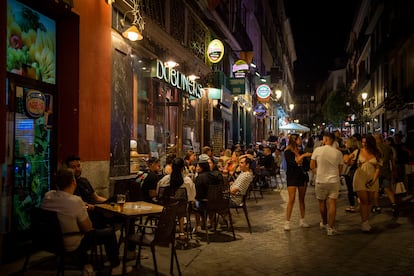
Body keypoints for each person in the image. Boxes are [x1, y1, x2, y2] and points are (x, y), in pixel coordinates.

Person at [41, 168, 132, 275]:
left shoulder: (48, 196)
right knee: (108, 233)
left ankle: (86, 264)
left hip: (47, 240)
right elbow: (87, 228)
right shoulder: (75, 201)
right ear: (73, 182)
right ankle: (116, 266)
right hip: (69, 242)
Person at [310, 132, 344, 235]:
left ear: (325, 139)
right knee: (332, 203)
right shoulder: (338, 153)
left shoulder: (317, 150)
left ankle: (324, 222)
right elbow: (340, 168)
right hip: (334, 180)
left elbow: (312, 166)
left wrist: (318, 173)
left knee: (322, 203)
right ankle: (330, 228)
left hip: (321, 180)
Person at [157, 157, 196, 240]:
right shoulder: (188, 181)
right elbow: (191, 197)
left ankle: (167, 230)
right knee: (181, 207)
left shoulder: (165, 180)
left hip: (166, 208)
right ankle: (182, 232)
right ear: (183, 168)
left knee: (174, 207)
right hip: (182, 209)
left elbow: (158, 192)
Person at [351, 134, 382, 232]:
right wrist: (347, 158)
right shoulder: (358, 151)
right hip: (360, 177)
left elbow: (378, 168)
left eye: (366, 142)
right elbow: (349, 161)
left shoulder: (377, 153)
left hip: (372, 178)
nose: (364, 144)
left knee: (369, 201)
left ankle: (366, 221)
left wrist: (373, 180)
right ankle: (364, 222)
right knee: (364, 200)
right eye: (363, 142)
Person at [283, 134, 312, 231]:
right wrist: (302, 157)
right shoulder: (288, 152)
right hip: (292, 177)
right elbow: (292, 164)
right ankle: (287, 222)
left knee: (302, 199)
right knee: (291, 199)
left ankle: (302, 220)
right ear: (294, 140)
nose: (300, 140)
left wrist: (301, 160)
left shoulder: (301, 151)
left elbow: (306, 165)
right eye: (299, 139)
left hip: (301, 176)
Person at [373, 133, 399, 217]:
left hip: (377, 172)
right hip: (386, 171)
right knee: (387, 189)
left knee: (376, 190)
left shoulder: (374, 149)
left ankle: (377, 206)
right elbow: (392, 160)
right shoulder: (388, 147)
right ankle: (394, 204)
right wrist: (394, 170)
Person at [342, 136, 361, 213]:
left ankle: (352, 206)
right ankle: (360, 204)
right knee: (355, 190)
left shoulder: (353, 152)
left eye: (346, 142)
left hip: (351, 173)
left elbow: (348, 163)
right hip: (356, 172)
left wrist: (347, 157)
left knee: (351, 190)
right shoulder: (359, 151)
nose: (345, 143)